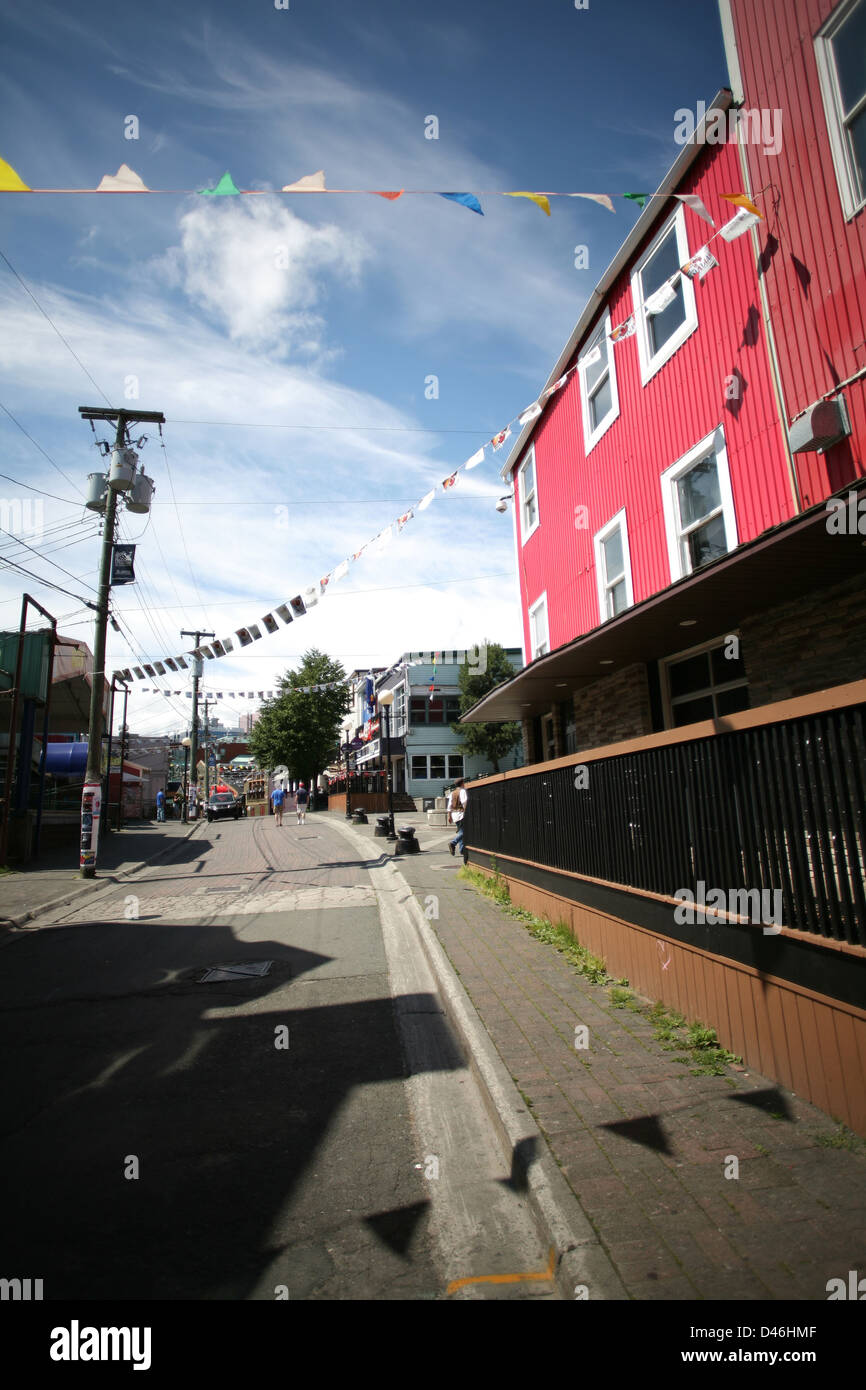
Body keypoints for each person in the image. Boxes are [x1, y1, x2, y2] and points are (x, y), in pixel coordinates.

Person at [448, 779, 468, 859]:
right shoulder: (462, 791)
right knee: (464, 832)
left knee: (460, 832)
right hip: (461, 814)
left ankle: (462, 850)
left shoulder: (452, 793)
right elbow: (464, 802)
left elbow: (449, 805)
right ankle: (453, 843)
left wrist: (449, 816)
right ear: (462, 783)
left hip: (454, 814)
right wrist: (466, 813)